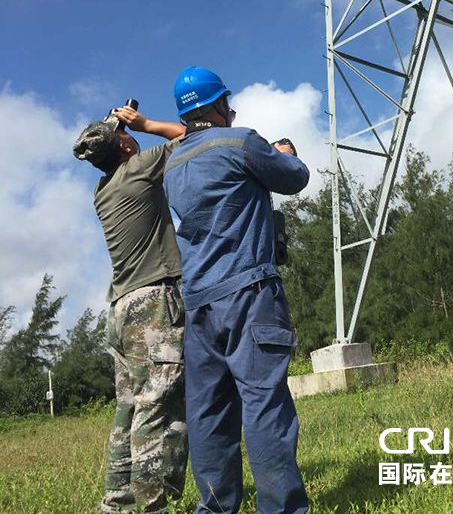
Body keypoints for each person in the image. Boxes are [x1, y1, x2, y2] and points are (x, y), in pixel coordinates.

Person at [163, 66, 310, 514]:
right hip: (248, 293)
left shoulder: (173, 164)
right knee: (264, 403)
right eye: (227, 102)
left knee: (208, 415)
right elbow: (294, 177)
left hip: (198, 305)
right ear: (216, 105)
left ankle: (214, 508)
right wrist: (282, 150)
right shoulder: (241, 141)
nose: (231, 109)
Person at [73, 106, 189, 514]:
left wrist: (115, 130)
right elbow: (193, 134)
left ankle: (116, 503)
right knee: (158, 407)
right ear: (124, 144)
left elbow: (109, 147)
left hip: (120, 309)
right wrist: (144, 124)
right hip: (152, 305)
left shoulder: (102, 190)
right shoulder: (140, 167)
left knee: (129, 410)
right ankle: (154, 506)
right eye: (123, 133)